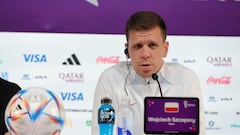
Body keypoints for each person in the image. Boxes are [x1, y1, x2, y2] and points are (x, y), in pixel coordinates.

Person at [92, 11, 205, 135]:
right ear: (127, 50)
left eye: (152, 45)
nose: (145, 54)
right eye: (138, 46)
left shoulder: (185, 79)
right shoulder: (110, 78)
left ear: (165, 48)